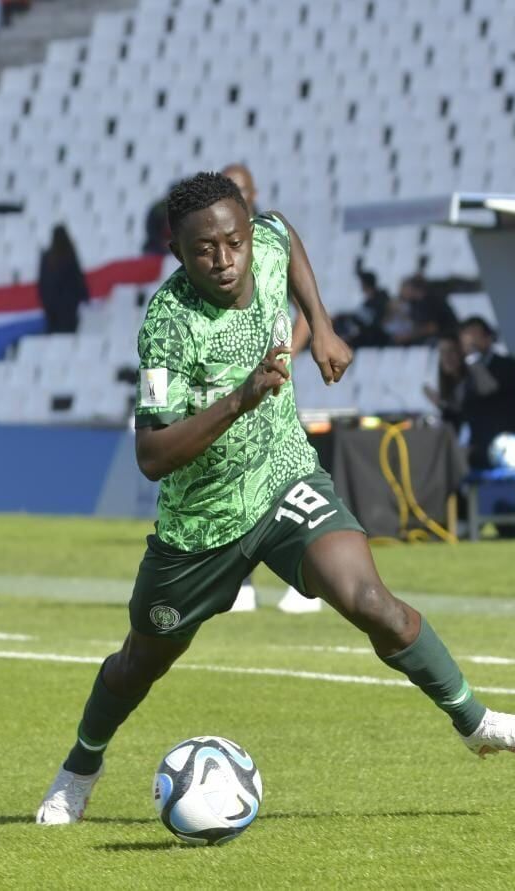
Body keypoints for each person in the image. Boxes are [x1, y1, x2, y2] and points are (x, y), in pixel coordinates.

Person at [34, 173, 515, 825]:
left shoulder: (270, 240)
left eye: (234, 241)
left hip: (285, 477)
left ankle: (475, 721)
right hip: (203, 523)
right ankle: (80, 767)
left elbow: (287, 235)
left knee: (374, 604)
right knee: (141, 661)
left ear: (249, 232)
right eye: (205, 250)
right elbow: (152, 454)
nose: (225, 260)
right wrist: (239, 399)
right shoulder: (169, 325)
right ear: (177, 252)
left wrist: (323, 325)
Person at [220, 162, 313, 614]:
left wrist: (285, 355)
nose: (238, 195)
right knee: (236, 482)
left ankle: (305, 582)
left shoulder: (270, 241)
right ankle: (242, 584)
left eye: (242, 189)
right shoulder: (220, 248)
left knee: (286, 480)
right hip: (231, 387)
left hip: (272, 389)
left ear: (254, 193)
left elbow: (306, 311)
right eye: (229, 188)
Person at [456, 317, 515, 470]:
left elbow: (487, 389)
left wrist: (473, 358)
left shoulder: (506, 365)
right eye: (466, 339)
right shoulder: (468, 371)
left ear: (488, 338)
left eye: (474, 336)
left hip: (504, 444)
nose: (470, 343)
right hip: (476, 443)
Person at [37, 224, 89, 334]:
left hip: (53, 309)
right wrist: (84, 297)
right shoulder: (70, 256)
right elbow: (78, 280)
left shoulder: (47, 258)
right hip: (68, 309)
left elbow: (42, 284)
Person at [391, 275, 457, 346]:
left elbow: (432, 328)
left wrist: (407, 336)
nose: (401, 293)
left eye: (403, 289)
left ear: (411, 289)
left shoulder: (431, 300)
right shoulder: (415, 303)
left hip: (445, 336)